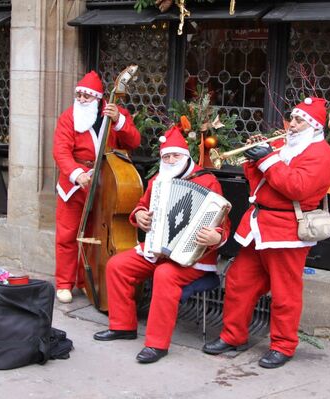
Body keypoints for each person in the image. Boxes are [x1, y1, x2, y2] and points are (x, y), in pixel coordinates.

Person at [202, 97, 330, 369]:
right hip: (258, 225)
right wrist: (254, 160)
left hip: (287, 231)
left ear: (314, 126)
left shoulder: (322, 155)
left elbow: (296, 188)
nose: (293, 124)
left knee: (285, 293)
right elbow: (257, 182)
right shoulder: (284, 147)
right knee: (240, 281)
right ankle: (232, 335)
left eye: (300, 120)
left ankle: (283, 345)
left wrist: (266, 158)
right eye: (294, 118)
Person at [93, 126, 231, 364]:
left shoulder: (207, 181)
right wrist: (139, 216)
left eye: (175, 155)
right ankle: (123, 326)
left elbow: (223, 224)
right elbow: (141, 206)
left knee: (165, 275)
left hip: (193, 256)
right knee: (118, 265)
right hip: (157, 250)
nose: (170, 160)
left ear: (186, 155)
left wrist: (216, 237)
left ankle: (157, 344)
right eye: (166, 156)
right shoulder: (158, 180)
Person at [53, 71, 141, 304]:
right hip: (74, 184)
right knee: (68, 234)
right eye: (79, 94)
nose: (81, 99)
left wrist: (120, 122)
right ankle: (64, 283)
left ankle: (85, 281)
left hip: (106, 183)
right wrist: (77, 173)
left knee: (95, 234)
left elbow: (134, 142)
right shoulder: (68, 117)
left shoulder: (116, 113)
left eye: (87, 96)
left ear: (98, 98)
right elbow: (60, 151)